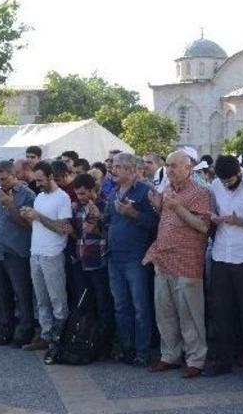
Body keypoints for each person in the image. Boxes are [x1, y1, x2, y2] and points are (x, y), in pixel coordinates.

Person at [144, 150, 211, 379]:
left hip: (186, 260)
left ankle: (196, 359)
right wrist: (158, 206)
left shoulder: (200, 192)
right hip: (163, 259)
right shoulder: (167, 189)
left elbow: (203, 226)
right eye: (168, 166)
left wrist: (177, 208)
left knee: (189, 314)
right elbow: (167, 220)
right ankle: (169, 355)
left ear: (188, 168)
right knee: (165, 312)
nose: (169, 170)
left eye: (174, 166)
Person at [203, 155, 243, 382]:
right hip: (221, 255)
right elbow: (210, 216)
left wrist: (238, 221)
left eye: (231, 180)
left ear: (240, 172)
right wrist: (213, 218)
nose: (228, 184)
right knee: (221, 313)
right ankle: (222, 361)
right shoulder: (214, 186)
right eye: (224, 180)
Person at [103, 152, 158, 366]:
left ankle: (142, 351)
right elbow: (108, 220)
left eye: (117, 166)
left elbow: (155, 223)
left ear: (131, 171)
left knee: (141, 307)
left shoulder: (145, 192)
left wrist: (132, 213)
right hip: (114, 258)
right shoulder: (113, 192)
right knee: (120, 306)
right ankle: (126, 348)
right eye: (113, 166)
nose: (112, 170)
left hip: (136, 258)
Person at [0, 161, 36, 347]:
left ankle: (25, 331)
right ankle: (5, 329)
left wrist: (10, 205)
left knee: (21, 293)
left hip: (17, 251)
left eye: (4, 178)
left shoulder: (27, 195)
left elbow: (27, 224)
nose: (1, 182)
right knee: (1, 294)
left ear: (14, 175)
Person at [20, 162, 73, 357]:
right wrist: (29, 216)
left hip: (53, 254)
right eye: (36, 179)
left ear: (51, 176)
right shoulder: (39, 197)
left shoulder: (63, 198)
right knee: (41, 299)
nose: (38, 183)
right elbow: (37, 223)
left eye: (41, 179)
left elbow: (62, 228)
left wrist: (38, 216)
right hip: (36, 253)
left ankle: (61, 336)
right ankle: (46, 334)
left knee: (57, 299)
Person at [69, 172, 114, 356]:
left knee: (103, 304)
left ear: (92, 189)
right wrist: (71, 230)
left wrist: (98, 226)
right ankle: (87, 338)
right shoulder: (77, 208)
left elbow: (110, 233)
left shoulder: (105, 205)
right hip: (81, 261)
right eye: (77, 194)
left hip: (100, 262)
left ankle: (105, 344)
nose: (80, 197)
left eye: (83, 193)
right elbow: (78, 235)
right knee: (85, 303)